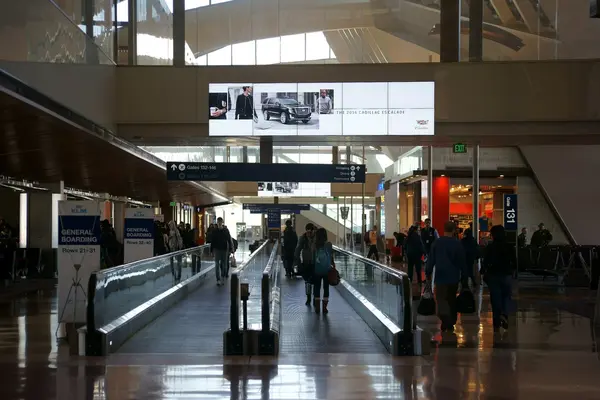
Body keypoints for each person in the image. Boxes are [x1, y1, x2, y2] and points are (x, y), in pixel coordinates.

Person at [426, 221, 469, 333]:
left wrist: (428, 273)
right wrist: (464, 277)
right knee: (451, 299)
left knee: (441, 299)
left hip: (440, 276)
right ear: (454, 230)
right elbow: (462, 262)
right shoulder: (457, 244)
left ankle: (446, 320)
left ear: (443, 229)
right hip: (454, 277)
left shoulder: (437, 243)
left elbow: (431, 261)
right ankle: (451, 321)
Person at [481, 225, 516, 332]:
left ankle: (496, 320)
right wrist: (513, 272)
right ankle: (504, 314)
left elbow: (485, 261)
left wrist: (482, 271)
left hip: (493, 275)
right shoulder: (509, 246)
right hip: (506, 274)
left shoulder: (490, 247)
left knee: (495, 297)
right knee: (506, 296)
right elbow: (514, 261)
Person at [312, 228, 335, 314]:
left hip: (317, 269)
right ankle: (324, 308)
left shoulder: (315, 245)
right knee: (326, 288)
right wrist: (333, 264)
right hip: (327, 269)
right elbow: (331, 256)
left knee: (317, 288)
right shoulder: (328, 245)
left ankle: (317, 307)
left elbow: (312, 257)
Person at [295, 223, 316, 306]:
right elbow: (297, 250)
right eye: (308, 230)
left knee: (315, 282)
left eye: (311, 230)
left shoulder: (317, 238)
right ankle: (309, 297)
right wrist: (298, 263)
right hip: (307, 263)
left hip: (314, 263)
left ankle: (315, 297)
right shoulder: (303, 238)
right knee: (308, 282)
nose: (309, 232)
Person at [210, 217, 232, 286]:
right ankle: (218, 279)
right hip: (217, 250)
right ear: (217, 222)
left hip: (224, 250)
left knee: (224, 265)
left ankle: (222, 276)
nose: (219, 223)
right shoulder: (214, 231)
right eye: (218, 222)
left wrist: (230, 249)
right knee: (216, 265)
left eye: (220, 222)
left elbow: (229, 240)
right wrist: (211, 250)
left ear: (222, 222)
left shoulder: (226, 230)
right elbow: (212, 241)